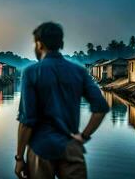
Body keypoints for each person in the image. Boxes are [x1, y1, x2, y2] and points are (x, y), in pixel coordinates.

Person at [15, 22, 109, 179]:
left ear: (39, 44)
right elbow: (100, 108)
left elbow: (27, 122)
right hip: (71, 148)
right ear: (61, 44)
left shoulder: (31, 72)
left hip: (40, 149)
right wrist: (84, 136)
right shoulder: (78, 71)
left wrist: (19, 158)